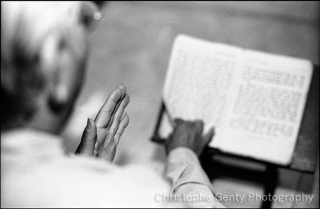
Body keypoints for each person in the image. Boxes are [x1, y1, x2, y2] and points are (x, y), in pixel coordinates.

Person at [1, 1, 225, 208]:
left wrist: (80, 170)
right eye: (84, 21)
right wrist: (183, 157)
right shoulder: (131, 197)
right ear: (59, 76)